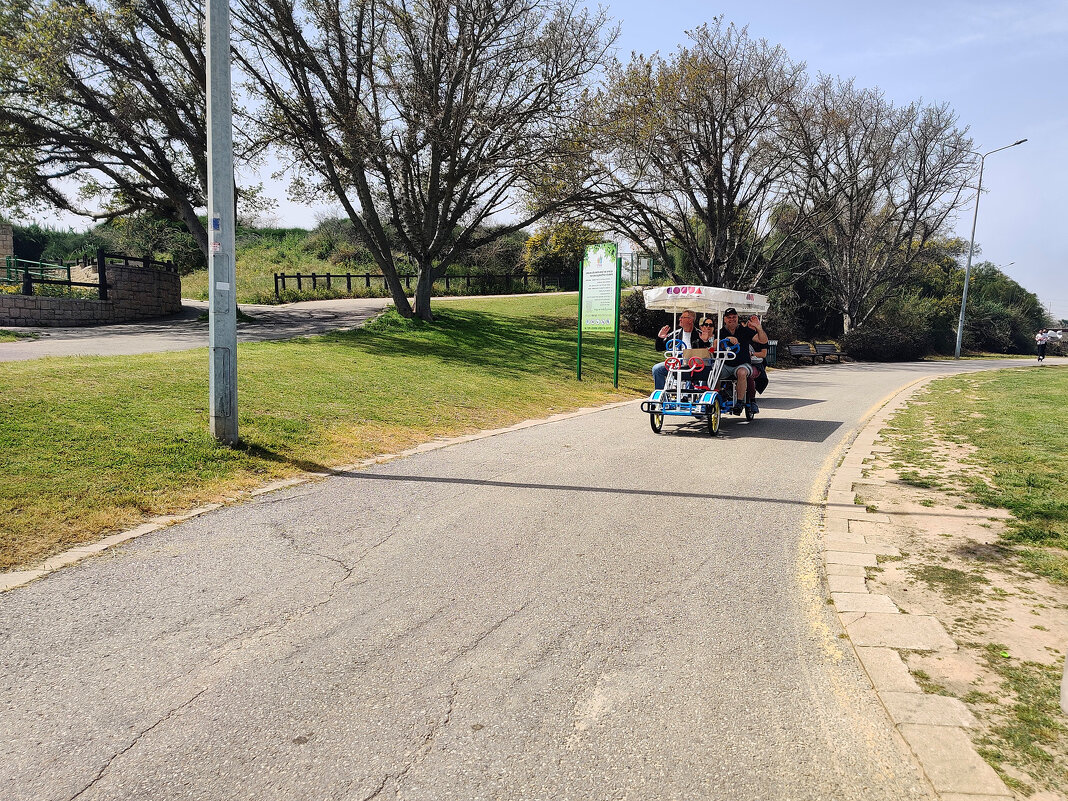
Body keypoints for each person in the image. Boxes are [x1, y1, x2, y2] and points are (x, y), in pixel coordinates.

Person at [718, 307, 768, 414]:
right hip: (725, 365)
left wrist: (758, 328)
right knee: (714, 371)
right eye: (729, 317)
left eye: (734, 317)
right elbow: (715, 343)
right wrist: (726, 339)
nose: (732, 319)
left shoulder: (745, 331)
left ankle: (740, 402)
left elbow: (763, 340)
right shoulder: (721, 332)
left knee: (742, 372)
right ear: (725, 319)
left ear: (737, 318)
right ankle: (716, 397)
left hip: (742, 364)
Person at [652, 309, 711, 390]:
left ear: (690, 320)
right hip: (676, 364)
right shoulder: (675, 334)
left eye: (682, 317)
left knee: (706, 372)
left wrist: (705, 341)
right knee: (657, 369)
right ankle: (661, 395)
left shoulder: (699, 334)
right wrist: (660, 338)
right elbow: (659, 348)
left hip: (695, 365)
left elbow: (708, 351)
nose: (680, 319)